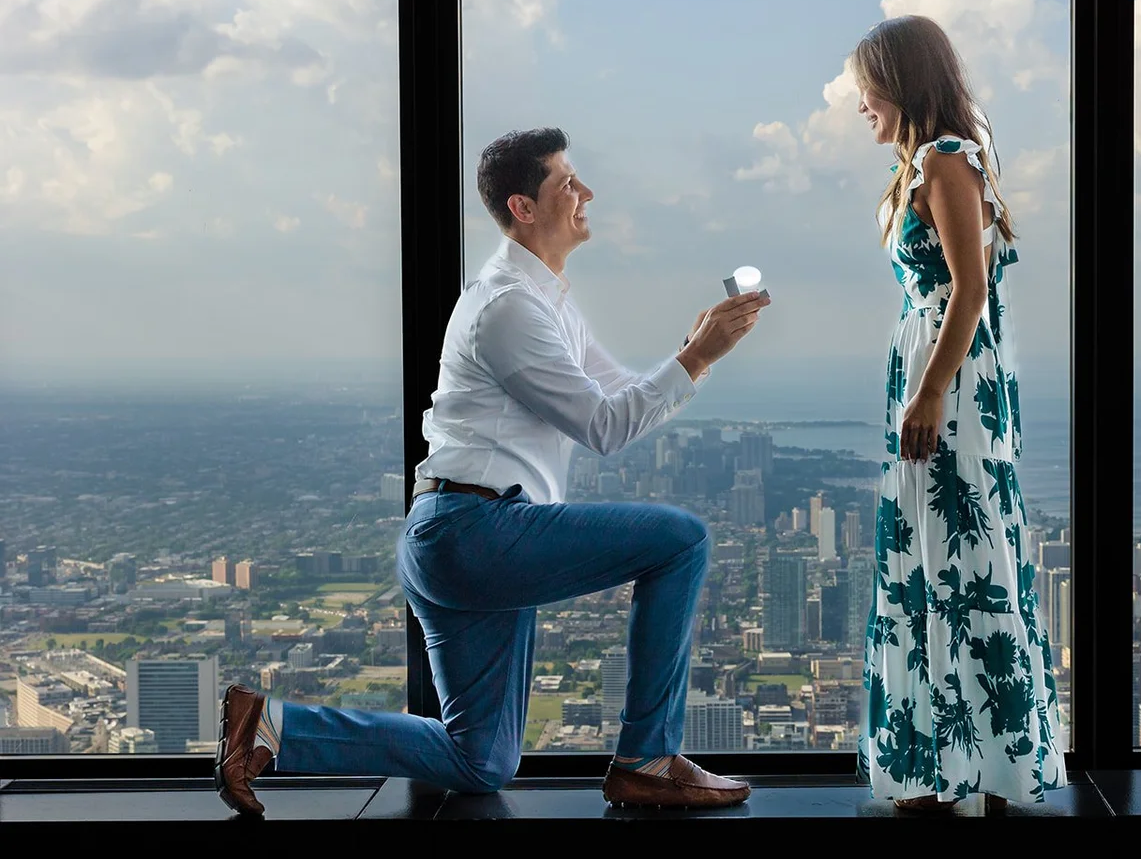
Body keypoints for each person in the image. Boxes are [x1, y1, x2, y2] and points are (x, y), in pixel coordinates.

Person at [215, 128, 770, 816]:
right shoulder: (509, 307)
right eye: (568, 182)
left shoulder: (544, 304)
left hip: (459, 537)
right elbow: (603, 429)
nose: (586, 192)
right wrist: (697, 359)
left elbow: (620, 403)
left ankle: (271, 728)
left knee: (481, 760)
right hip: (476, 530)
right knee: (681, 540)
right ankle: (648, 759)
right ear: (524, 206)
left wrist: (698, 352)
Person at [850, 15, 1067, 811]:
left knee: (958, 555)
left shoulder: (946, 162)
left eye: (866, 89)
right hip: (941, 371)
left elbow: (969, 292)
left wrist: (932, 388)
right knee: (944, 552)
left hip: (954, 377)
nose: (859, 106)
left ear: (899, 82)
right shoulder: (927, 163)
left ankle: (971, 772)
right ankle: (955, 767)